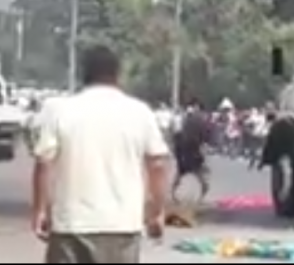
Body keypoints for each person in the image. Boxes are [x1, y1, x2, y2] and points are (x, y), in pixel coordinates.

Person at [31, 45, 170, 264]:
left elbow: (44, 164)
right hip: (122, 226)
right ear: (117, 74)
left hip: (71, 225)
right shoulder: (139, 112)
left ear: (83, 74)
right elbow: (158, 165)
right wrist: (157, 212)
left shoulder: (61, 111)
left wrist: (40, 210)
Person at [171, 99, 211, 202]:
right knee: (196, 170)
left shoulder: (187, 118)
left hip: (185, 148)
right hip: (193, 148)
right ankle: (203, 188)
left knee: (183, 171)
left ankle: (173, 192)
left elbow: (179, 133)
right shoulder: (200, 119)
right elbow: (204, 135)